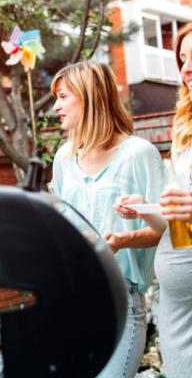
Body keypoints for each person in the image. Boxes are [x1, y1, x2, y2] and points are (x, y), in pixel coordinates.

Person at [50, 61, 165, 377]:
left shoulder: (138, 154)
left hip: (120, 301)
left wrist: (123, 240)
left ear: (89, 97)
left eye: (62, 96)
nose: (56, 107)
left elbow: (165, 229)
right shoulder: (63, 158)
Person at [114, 23, 192, 378]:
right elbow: (180, 223)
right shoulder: (184, 128)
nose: (186, 68)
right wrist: (149, 208)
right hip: (179, 302)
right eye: (182, 58)